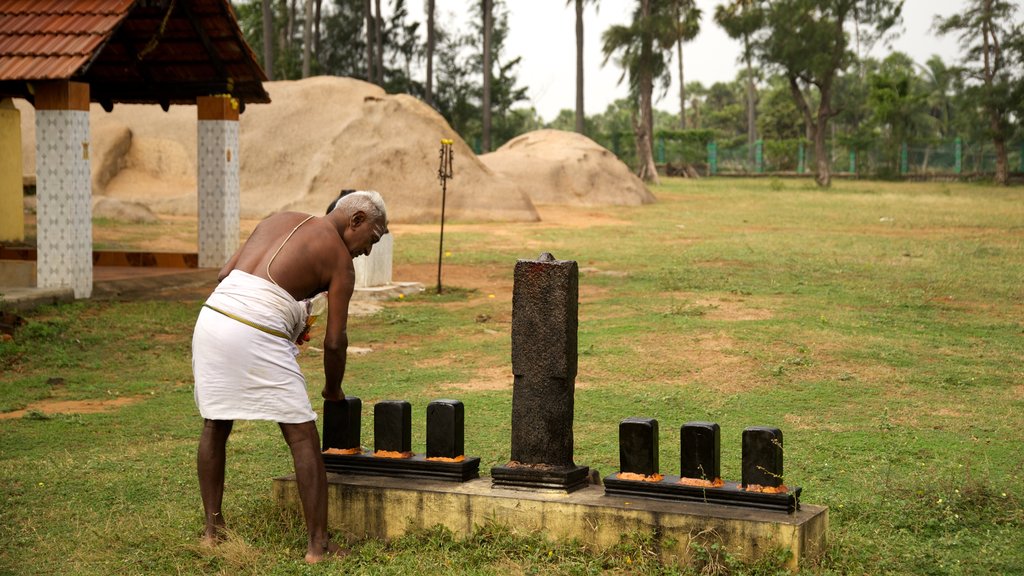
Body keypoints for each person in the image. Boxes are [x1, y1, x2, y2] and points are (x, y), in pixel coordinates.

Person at [191, 191, 388, 563]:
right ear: (356, 219)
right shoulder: (341, 261)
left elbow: (225, 274)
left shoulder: (276, 218)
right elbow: (334, 342)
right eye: (373, 239)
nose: (368, 251)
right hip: (254, 327)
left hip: (212, 316)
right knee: (302, 435)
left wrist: (287, 312)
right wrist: (333, 388)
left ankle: (212, 533)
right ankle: (319, 546)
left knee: (215, 423)